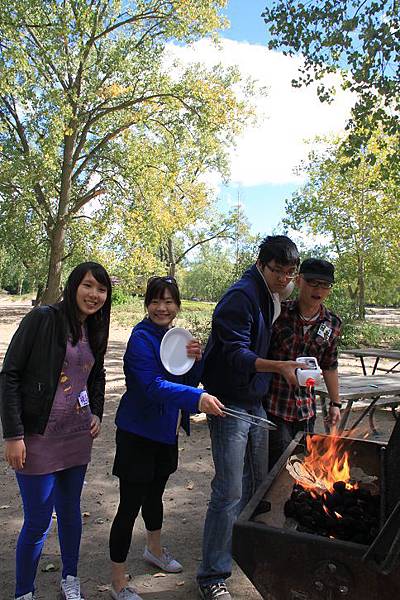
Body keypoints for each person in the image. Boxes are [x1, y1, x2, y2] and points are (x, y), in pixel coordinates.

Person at [197, 235, 307, 600]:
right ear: (262, 264)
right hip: (228, 401)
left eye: (290, 272)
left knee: (256, 481)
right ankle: (212, 576)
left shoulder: (272, 296)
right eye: (278, 271)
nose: (284, 278)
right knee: (228, 488)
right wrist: (278, 368)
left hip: (254, 399)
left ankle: (239, 553)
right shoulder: (240, 297)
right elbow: (235, 355)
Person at [0, 262, 112, 600]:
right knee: (37, 521)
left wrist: (97, 413)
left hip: (77, 436)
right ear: (74, 285)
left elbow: (96, 374)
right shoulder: (43, 319)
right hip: (38, 436)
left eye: (101, 289)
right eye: (88, 286)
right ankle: (24, 592)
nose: (94, 295)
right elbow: (10, 374)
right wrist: (14, 435)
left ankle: (70, 579)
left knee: (70, 511)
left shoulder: (94, 327)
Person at [108, 275, 225, 600]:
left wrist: (195, 361)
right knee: (130, 505)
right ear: (147, 304)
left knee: (155, 495)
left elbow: (182, 377)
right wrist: (197, 399)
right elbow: (151, 386)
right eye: (156, 301)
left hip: (165, 434)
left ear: (177, 305)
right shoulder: (140, 339)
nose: (162, 307)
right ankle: (118, 582)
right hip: (137, 434)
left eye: (169, 301)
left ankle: (154, 550)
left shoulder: (175, 336)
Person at [266, 258, 342, 469]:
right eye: (313, 282)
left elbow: (329, 364)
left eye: (325, 284)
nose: (318, 289)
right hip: (275, 405)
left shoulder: (332, 323)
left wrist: (335, 404)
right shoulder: (278, 314)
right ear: (299, 281)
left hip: (306, 409)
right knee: (277, 468)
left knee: (303, 466)